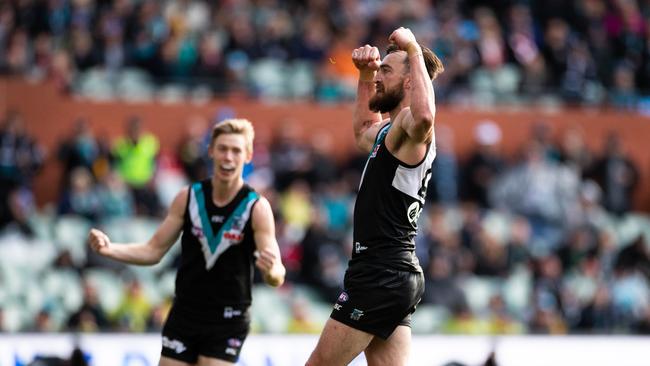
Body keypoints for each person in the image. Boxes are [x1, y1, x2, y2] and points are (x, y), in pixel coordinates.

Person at [88, 118, 286, 366]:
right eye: (222, 148)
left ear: (248, 156)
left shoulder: (256, 207)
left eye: (236, 150)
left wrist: (272, 273)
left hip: (228, 318)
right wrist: (110, 249)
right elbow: (153, 251)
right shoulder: (188, 197)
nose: (228, 157)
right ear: (211, 151)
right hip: (185, 312)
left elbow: (277, 269)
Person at [307, 27, 443, 366]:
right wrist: (365, 74)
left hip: (381, 271)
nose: (379, 76)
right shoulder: (392, 131)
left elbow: (426, 115)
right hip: (393, 271)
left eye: (386, 70)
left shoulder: (412, 128)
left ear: (411, 81)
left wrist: (413, 47)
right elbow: (361, 131)